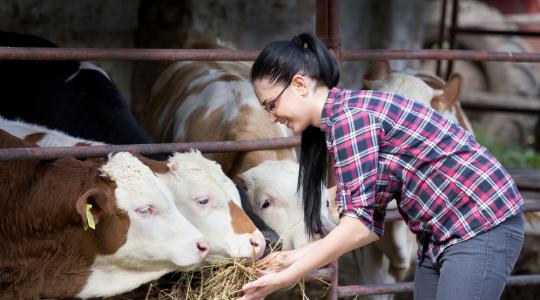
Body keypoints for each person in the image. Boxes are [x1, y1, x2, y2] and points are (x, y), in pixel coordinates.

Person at [239, 32, 525, 300]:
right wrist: (289, 257)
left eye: (271, 105)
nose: (272, 117)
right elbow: (368, 224)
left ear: (300, 85)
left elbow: (358, 227)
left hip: (481, 222)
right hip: (439, 233)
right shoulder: (344, 117)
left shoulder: (351, 121)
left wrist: (288, 275)